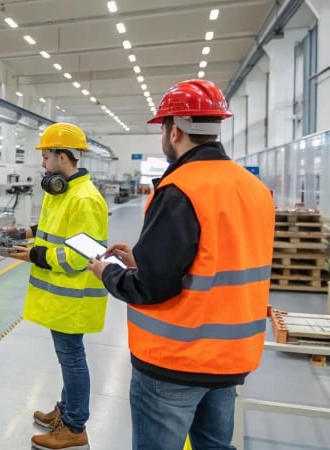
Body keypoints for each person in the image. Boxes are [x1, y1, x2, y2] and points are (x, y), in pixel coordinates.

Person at [86, 79, 275, 450]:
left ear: (175, 130)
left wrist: (107, 272)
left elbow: (149, 288)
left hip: (176, 360)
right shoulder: (253, 188)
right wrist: (141, 259)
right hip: (231, 358)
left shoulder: (181, 188)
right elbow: (216, 258)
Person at [6, 123, 109, 450]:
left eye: (47, 156)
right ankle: (66, 411)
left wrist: (36, 254)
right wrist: (24, 233)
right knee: (68, 357)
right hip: (60, 297)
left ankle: (75, 427)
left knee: (72, 358)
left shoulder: (85, 198)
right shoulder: (63, 191)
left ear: (63, 157)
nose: (43, 163)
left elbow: (81, 254)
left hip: (73, 296)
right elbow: (54, 227)